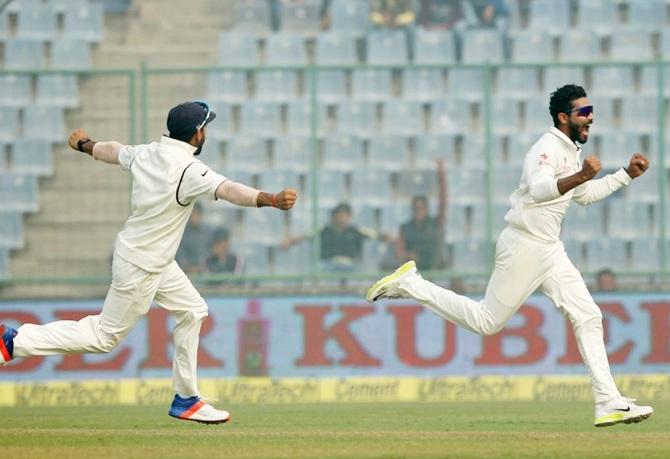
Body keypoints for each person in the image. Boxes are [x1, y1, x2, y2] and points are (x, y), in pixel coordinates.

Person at [367, 84, 653, 427]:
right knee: (487, 322)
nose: (590, 118)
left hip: (548, 247)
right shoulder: (546, 148)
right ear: (564, 117)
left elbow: (584, 195)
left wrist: (624, 176)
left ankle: (607, 401)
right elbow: (541, 190)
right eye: (583, 112)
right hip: (524, 245)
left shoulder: (569, 148)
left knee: (588, 315)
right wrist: (580, 175)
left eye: (591, 111)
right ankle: (412, 284)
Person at [0, 101, 297, 424]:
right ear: (198, 134)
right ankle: (14, 342)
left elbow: (114, 151)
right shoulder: (189, 170)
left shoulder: (148, 153)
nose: (206, 132)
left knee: (193, 309)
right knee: (103, 337)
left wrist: (86, 145)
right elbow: (229, 190)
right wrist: (270, 200)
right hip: (143, 263)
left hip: (152, 257)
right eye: (205, 127)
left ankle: (186, 398)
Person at [395, 160, 447, 270]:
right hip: (415, 270)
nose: (419, 211)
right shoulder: (405, 228)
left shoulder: (435, 224)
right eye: (416, 208)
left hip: (435, 267)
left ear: (427, 209)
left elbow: (443, 203)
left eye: (422, 208)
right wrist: (408, 255)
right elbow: (400, 251)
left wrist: (441, 176)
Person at [176, 202, 211, 274]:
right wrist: (188, 267)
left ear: (201, 215)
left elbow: (210, 252)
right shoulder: (182, 232)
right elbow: (179, 253)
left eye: (197, 214)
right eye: (192, 214)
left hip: (205, 271)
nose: (195, 217)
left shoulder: (208, 232)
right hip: (185, 272)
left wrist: (202, 266)